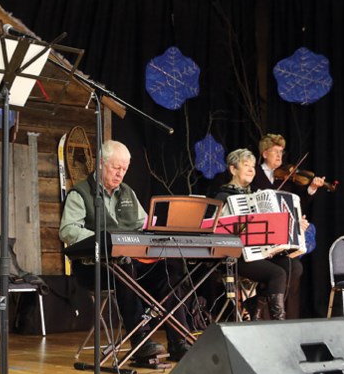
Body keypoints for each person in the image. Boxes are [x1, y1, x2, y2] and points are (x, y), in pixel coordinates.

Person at [59, 140, 193, 361]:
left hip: (131, 263)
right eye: (116, 167)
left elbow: (145, 225)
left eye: (124, 169)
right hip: (94, 267)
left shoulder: (127, 193)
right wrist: (107, 242)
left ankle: (179, 341)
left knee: (168, 270)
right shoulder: (80, 193)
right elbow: (68, 231)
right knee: (123, 264)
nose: (121, 174)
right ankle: (140, 340)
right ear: (101, 164)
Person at [214, 149, 300, 320]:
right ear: (233, 169)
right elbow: (217, 230)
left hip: (262, 253)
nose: (252, 170)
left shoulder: (258, 196)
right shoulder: (222, 196)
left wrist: (296, 225)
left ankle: (255, 303)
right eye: (246, 165)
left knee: (294, 266)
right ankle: (278, 321)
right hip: (237, 256)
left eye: (253, 166)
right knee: (277, 273)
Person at [249, 134, 323, 318]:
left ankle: (268, 307)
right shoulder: (254, 173)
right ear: (265, 153)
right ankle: (267, 313)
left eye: (281, 152)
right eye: (275, 152)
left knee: (295, 267)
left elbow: (296, 206)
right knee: (279, 271)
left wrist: (312, 189)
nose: (279, 156)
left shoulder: (288, 178)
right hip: (258, 238)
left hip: (280, 238)